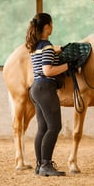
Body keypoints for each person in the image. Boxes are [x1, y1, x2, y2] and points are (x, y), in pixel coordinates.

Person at [27, 13, 69, 176]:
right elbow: (48, 70)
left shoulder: (35, 46)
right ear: (46, 27)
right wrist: (67, 65)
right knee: (54, 127)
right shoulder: (47, 46)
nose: (52, 26)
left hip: (35, 89)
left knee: (42, 128)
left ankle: (40, 165)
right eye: (51, 24)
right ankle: (46, 164)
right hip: (45, 88)